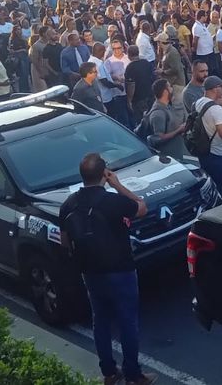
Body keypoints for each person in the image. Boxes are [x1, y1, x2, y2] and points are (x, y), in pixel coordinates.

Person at [58, 153, 156, 385]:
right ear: (104, 174)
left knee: (100, 320)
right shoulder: (112, 201)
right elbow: (141, 207)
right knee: (127, 322)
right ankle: (134, 374)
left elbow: (65, 242)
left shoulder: (68, 204)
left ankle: (109, 373)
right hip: (120, 269)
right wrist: (117, 184)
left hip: (90, 271)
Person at [194, 76, 222, 202]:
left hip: (204, 152)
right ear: (215, 89)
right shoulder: (216, 109)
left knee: (212, 192)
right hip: (218, 155)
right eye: (221, 86)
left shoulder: (199, 102)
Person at [146, 79, 187, 160]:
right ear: (165, 91)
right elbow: (159, 138)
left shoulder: (167, 106)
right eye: (170, 87)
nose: (172, 89)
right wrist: (179, 130)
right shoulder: (158, 114)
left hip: (176, 153)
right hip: (168, 158)